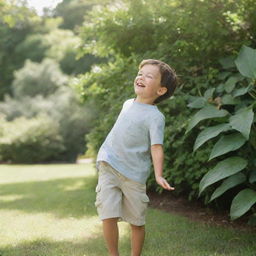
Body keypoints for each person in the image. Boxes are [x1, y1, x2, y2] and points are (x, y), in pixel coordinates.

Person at [95, 59, 178, 256]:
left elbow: (156, 147)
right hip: (109, 164)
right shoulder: (127, 104)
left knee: (137, 222)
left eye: (149, 76)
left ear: (161, 90)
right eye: (141, 73)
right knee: (107, 215)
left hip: (134, 174)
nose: (141, 77)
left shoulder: (155, 117)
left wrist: (158, 175)